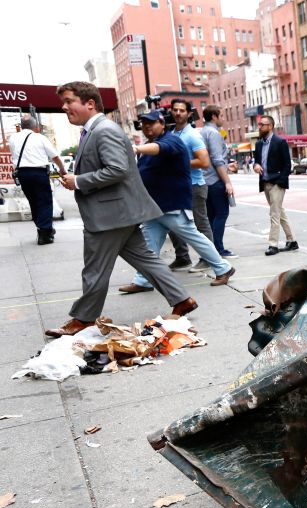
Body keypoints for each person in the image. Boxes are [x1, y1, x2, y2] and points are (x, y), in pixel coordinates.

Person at [46, 81, 196, 337]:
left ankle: (83, 319)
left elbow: (117, 170)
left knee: (94, 269)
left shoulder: (104, 130)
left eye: (69, 101)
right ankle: (182, 300)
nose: (64, 107)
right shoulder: (94, 131)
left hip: (110, 216)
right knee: (146, 259)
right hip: (118, 212)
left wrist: (79, 181)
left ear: (89, 103)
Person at [117, 109, 234, 294]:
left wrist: (136, 148)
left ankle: (223, 268)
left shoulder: (171, 141)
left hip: (171, 204)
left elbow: (160, 149)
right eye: (144, 123)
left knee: (192, 235)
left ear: (162, 124)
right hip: (154, 206)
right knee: (149, 245)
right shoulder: (151, 145)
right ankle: (143, 280)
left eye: (151, 123)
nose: (147, 126)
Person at [166, 99, 212, 270]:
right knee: (172, 222)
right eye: (175, 110)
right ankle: (182, 257)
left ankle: (208, 259)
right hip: (176, 186)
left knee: (201, 223)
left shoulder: (192, 135)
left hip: (194, 185)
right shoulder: (172, 133)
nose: (178, 113)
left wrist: (180, 163)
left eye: (182, 110)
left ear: (188, 114)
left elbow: (204, 162)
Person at [8, 117, 66, 245]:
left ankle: (45, 229)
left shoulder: (13, 138)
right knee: (44, 201)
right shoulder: (40, 137)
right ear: (35, 127)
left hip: (22, 174)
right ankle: (44, 234)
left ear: (22, 126)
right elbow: (55, 156)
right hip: (39, 173)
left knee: (33, 201)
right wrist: (63, 170)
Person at [254, 116, 297, 255]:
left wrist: (281, 181)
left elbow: (287, 165)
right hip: (265, 182)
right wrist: (256, 165)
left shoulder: (280, 142)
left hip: (277, 183)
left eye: (262, 125)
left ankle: (273, 245)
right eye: (259, 124)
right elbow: (256, 161)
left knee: (274, 213)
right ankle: (292, 241)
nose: (259, 127)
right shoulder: (259, 144)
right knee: (279, 212)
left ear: (271, 126)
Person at [200, 105, 236, 259]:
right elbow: (217, 160)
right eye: (221, 115)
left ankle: (212, 250)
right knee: (221, 214)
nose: (223, 118)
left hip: (205, 180)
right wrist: (227, 182)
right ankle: (218, 249)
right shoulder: (213, 133)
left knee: (211, 216)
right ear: (214, 116)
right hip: (215, 180)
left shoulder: (202, 132)